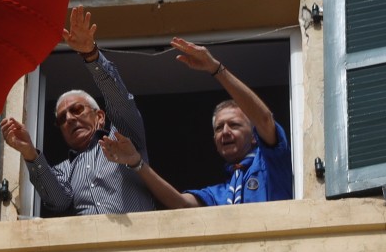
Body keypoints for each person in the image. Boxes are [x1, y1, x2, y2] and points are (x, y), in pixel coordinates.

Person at [100, 37, 293, 208]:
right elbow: (180, 203)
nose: (225, 131)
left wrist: (216, 69)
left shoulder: (271, 163)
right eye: (218, 128)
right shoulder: (220, 193)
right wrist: (136, 162)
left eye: (234, 125)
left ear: (254, 137)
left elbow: (265, 119)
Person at [0, 5, 156, 215]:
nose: (70, 119)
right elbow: (57, 202)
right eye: (62, 119)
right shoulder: (65, 169)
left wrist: (91, 55)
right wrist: (29, 152)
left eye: (77, 110)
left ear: (99, 116)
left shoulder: (124, 138)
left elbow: (120, 101)